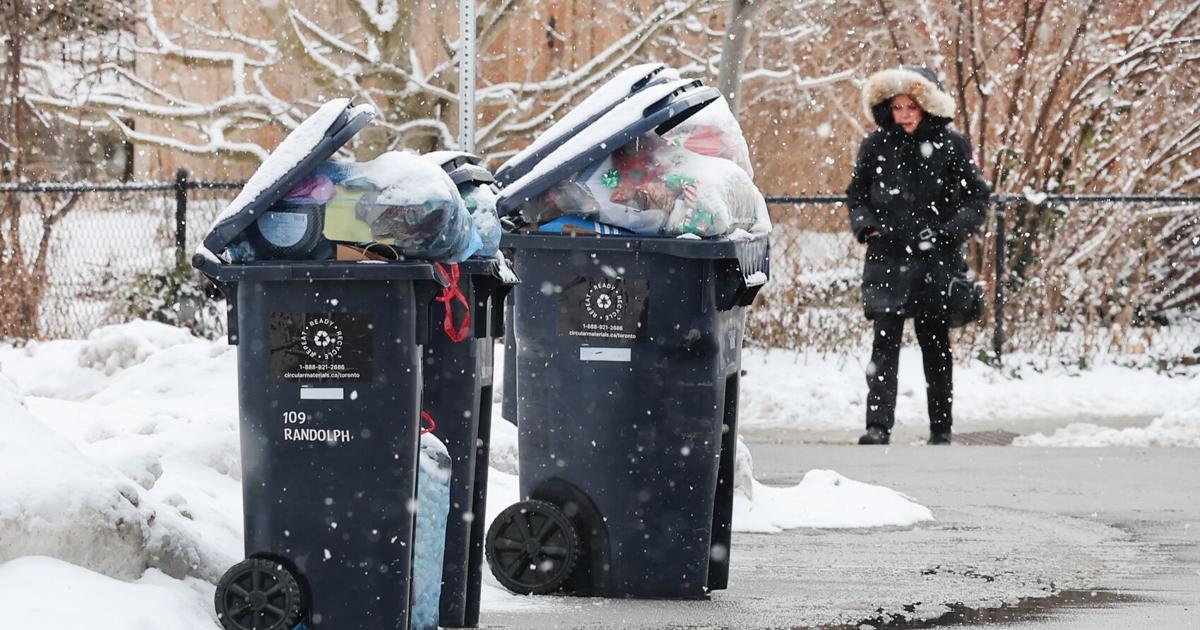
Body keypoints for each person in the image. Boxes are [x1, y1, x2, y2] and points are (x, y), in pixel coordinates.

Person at [845, 65, 990, 445]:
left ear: (927, 105)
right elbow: (856, 193)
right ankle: (877, 426)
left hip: (935, 260)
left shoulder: (952, 145)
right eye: (897, 107)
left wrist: (949, 232)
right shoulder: (875, 145)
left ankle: (941, 428)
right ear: (886, 108)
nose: (905, 114)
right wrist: (867, 226)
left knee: (936, 344)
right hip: (887, 257)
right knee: (884, 343)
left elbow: (977, 197)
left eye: (912, 105)